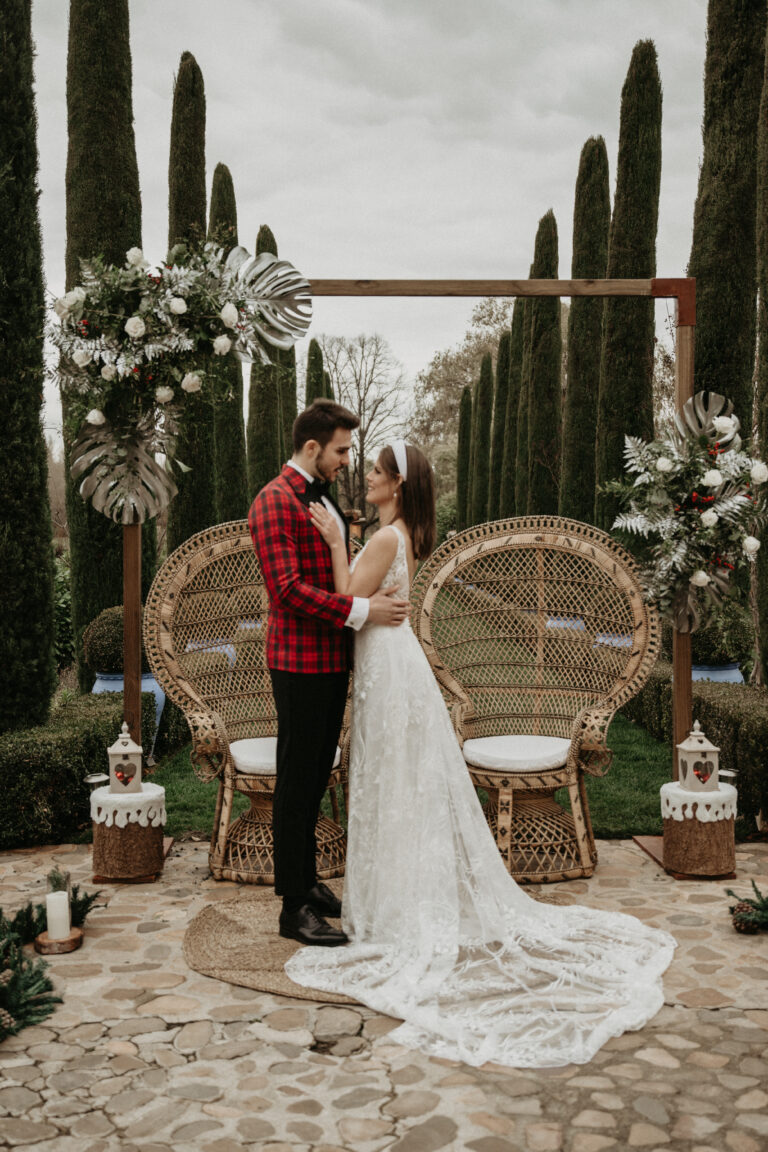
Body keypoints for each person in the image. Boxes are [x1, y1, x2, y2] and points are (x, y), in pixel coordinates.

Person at [284, 439, 677, 1069]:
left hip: (388, 668)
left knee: (394, 781)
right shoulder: (398, 532)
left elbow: (348, 605)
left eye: (378, 474)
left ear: (398, 486)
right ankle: (399, 896)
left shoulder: (385, 538)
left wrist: (335, 542)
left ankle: (401, 907)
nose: (368, 479)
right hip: (391, 666)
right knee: (399, 782)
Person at [249, 400, 410, 948]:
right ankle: (293, 908)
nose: (347, 460)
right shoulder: (274, 501)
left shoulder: (319, 497)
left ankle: (309, 882)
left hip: (331, 661)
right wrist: (364, 612)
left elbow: (342, 573)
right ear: (312, 447)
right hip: (297, 664)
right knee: (296, 781)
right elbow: (287, 592)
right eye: (341, 450)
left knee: (318, 776)